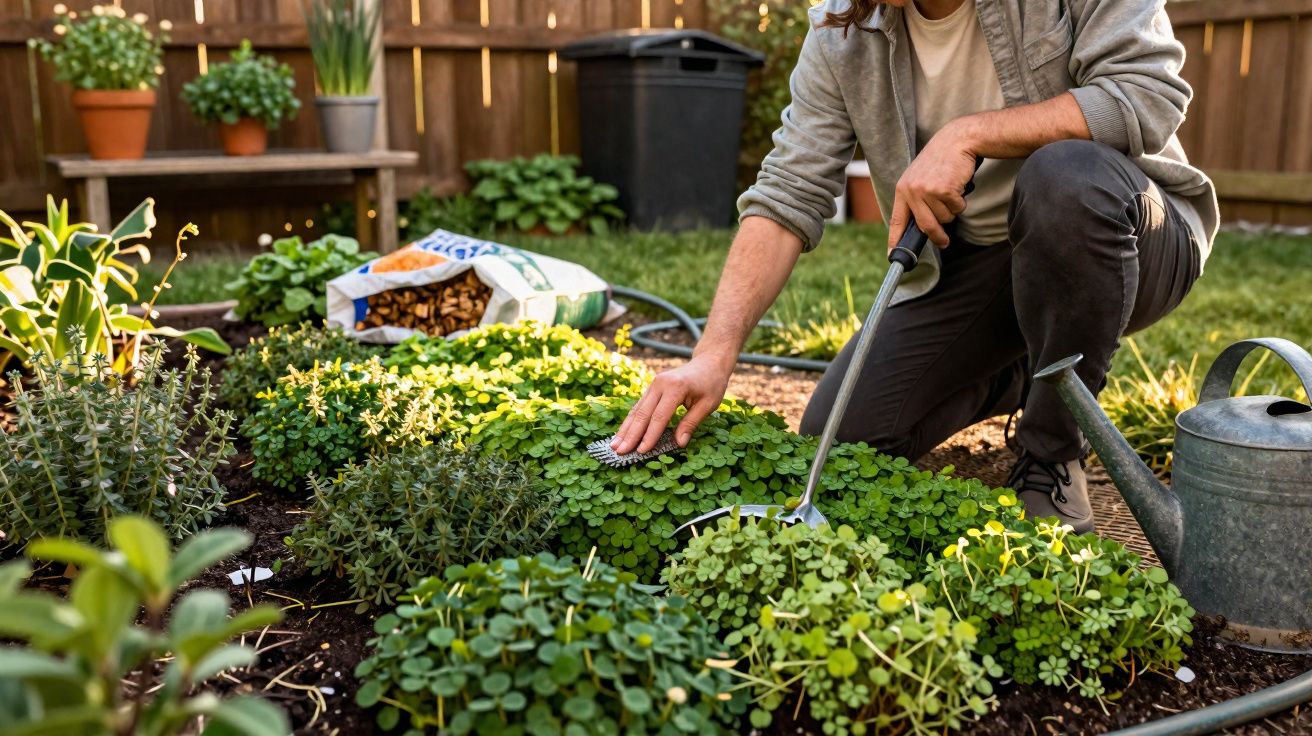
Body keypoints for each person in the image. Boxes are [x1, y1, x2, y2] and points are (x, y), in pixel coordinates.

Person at [609, 0, 1218, 533]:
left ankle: (1052, 447)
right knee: (842, 440)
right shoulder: (841, 31)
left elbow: (1145, 94)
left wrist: (968, 134)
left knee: (1064, 181)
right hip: (978, 266)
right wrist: (714, 354)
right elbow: (788, 191)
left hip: (1130, 234)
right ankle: (1026, 369)